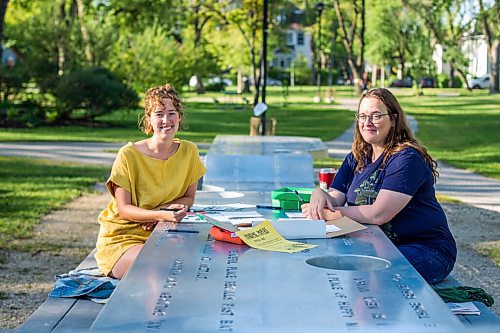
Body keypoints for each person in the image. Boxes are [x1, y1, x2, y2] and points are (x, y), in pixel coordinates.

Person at [302, 88, 456, 284]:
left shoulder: (406, 158)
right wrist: (319, 195)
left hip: (425, 249)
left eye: (376, 116)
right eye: (362, 116)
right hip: (377, 243)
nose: (367, 122)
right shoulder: (357, 157)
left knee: (369, 273)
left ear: (393, 119)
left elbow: (378, 214)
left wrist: (332, 214)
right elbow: (334, 198)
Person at [95, 84, 206, 279]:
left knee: (198, 260)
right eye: (159, 114)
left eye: (171, 113)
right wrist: (160, 215)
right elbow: (124, 209)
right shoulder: (128, 155)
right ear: (149, 119)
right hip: (124, 236)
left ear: (180, 117)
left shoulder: (189, 151)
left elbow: (189, 198)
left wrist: (162, 212)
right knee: (159, 264)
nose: (166, 120)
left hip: (164, 231)